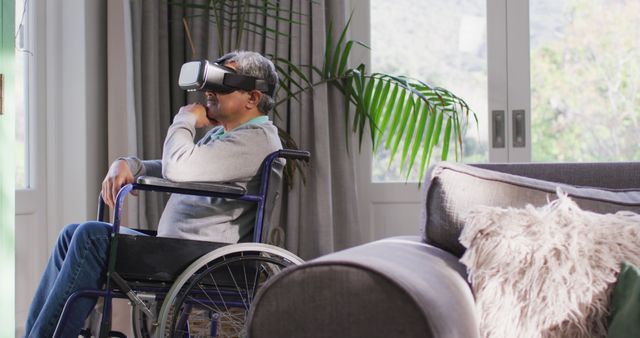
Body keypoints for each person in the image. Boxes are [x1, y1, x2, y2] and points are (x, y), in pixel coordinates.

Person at [22, 51, 282, 338]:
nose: (209, 91)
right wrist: (129, 164)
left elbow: (179, 168)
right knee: (71, 235)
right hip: (180, 250)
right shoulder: (227, 135)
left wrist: (184, 119)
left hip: (203, 257)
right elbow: (183, 167)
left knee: (90, 238)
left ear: (253, 98)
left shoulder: (256, 140)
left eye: (222, 83)